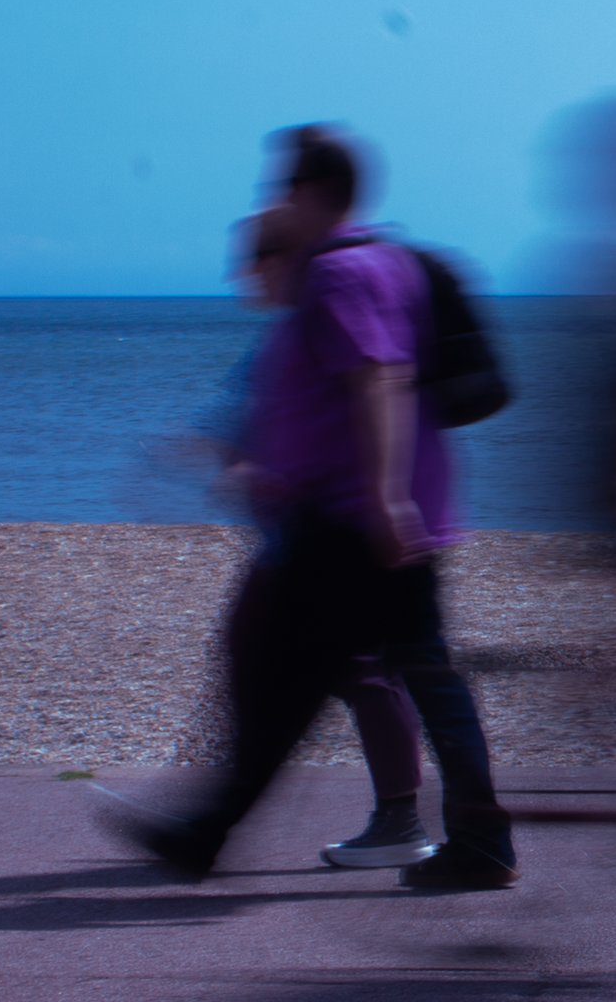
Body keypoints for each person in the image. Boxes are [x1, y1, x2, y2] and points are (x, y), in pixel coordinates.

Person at [123, 124, 515, 890]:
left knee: (292, 674)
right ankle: (477, 835)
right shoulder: (386, 262)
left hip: (349, 519)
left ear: (307, 193)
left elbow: (377, 376)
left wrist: (385, 498)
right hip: (372, 512)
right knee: (403, 673)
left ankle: (214, 831)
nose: (273, 203)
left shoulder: (340, 272)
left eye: (278, 189)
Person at [219, 209, 434, 869]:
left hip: (332, 532)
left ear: (279, 262)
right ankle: (224, 805)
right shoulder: (289, 333)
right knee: (266, 649)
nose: (242, 275)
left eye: (253, 260)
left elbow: (357, 407)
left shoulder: (320, 321)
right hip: (300, 534)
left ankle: (400, 815)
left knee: (362, 668)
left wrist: (380, 502)